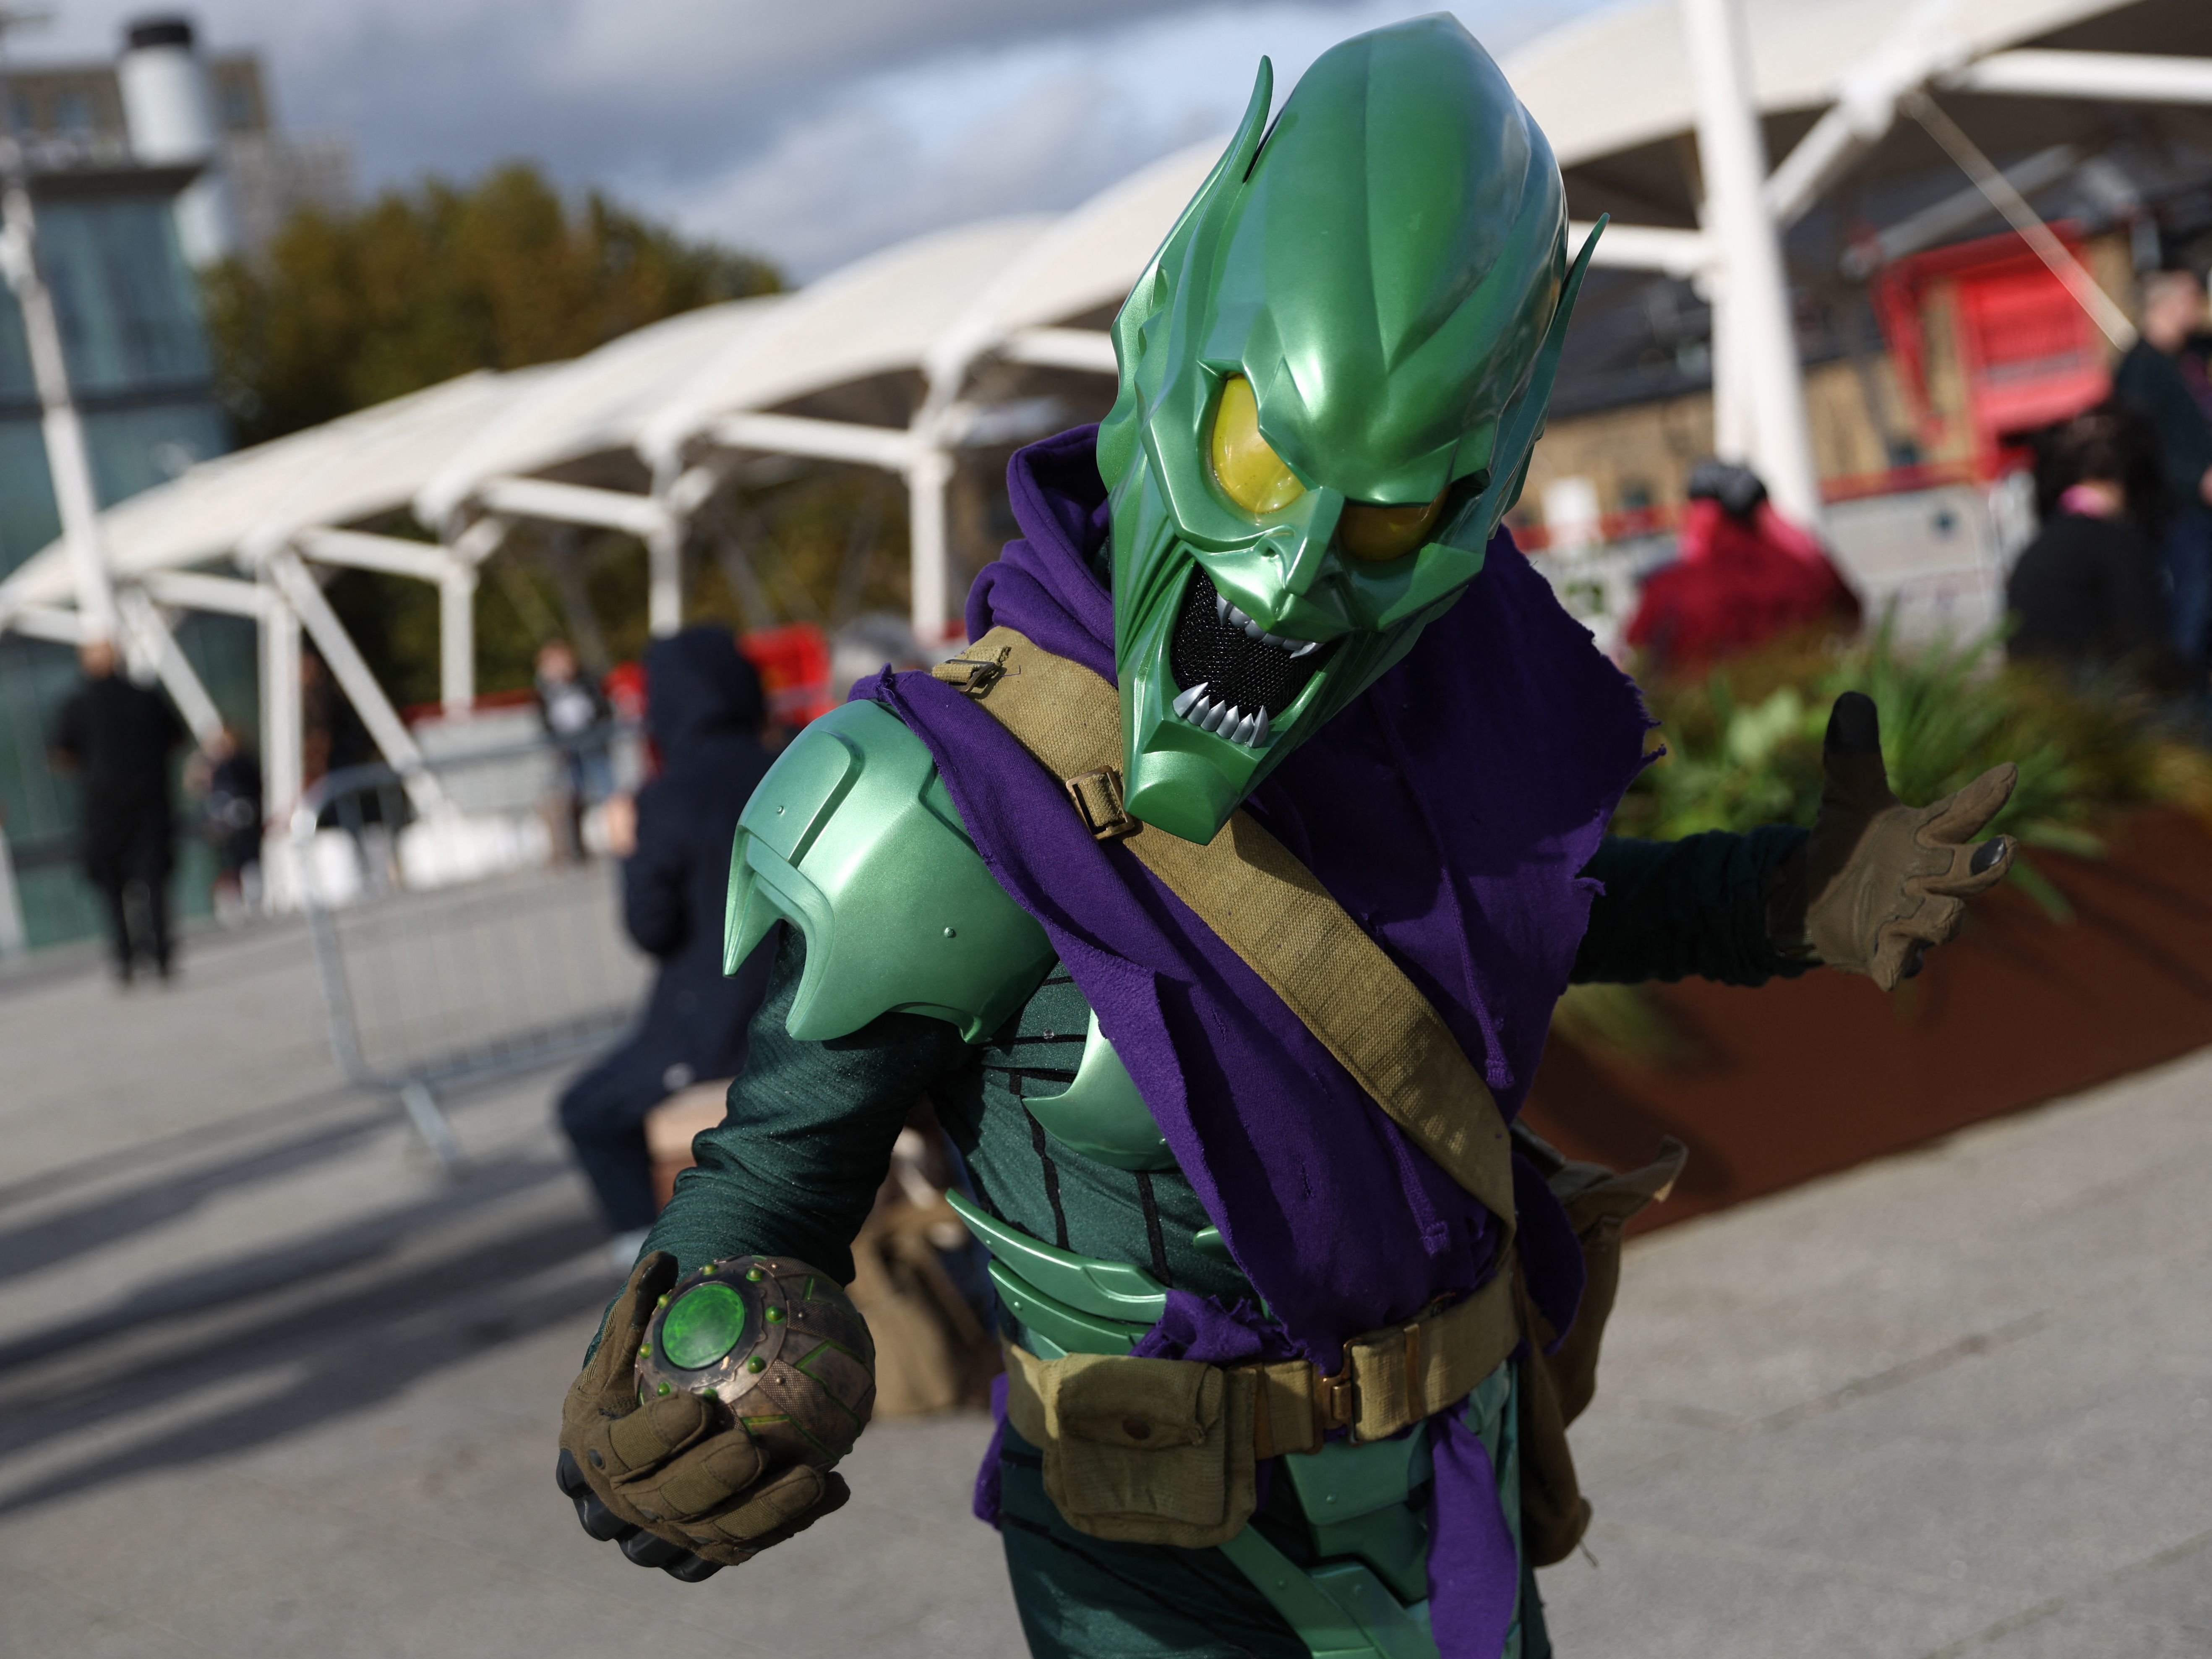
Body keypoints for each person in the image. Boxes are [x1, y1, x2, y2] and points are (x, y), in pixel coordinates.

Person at [553, 23, 2022, 1656]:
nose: (1289, 569)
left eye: (1384, 517)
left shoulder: (1450, 711)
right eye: (1259, 451)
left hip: (1443, 1508)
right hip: (1152, 1559)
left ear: (1481, 489)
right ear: (1172, 347)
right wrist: (681, 1382)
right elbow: (776, 1173)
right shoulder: (938, 795)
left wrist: (1776, 897)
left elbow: (1514, 917)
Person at [555, 626, 777, 1265]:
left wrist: (628, 852)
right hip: (812, 1011)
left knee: (588, 1113)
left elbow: (651, 929)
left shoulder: (667, 798)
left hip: (719, 1032)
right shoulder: (794, 763)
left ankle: (653, 1264)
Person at [1625, 458, 1860, 670]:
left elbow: (1634, 659)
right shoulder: (1805, 570)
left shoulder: (1670, 589)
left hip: (1707, 711)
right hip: (1803, 703)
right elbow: (1851, 616)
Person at [2007, 405, 2179, 686]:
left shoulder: (2041, 547)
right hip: (2098, 708)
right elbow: (2147, 651)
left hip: (2048, 709)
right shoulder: (2114, 543)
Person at [50, 638, 187, 983]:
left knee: (112, 885)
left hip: (103, 806)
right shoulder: (145, 697)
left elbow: (63, 755)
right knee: (154, 880)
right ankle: (162, 955)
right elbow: (176, 739)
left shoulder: (78, 705)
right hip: (150, 802)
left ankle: (125, 958)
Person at [2112, 269, 2212, 665]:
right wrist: (2196, 479)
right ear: (2168, 303)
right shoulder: (2140, 371)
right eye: (2192, 295)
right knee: (2194, 603)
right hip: (2177, 512)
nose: (2200, 302)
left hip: (2199, 507)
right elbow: (2142, 451)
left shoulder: (2191, 354)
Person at [535, 638, 613, 861]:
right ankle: (575, 848)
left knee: (608, 791)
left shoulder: (586, 680)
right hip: (568, 751)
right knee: (573, 797)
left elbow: (602, 707)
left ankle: (620, 837)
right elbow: (545, 720)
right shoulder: (545, 690)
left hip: (593, 743)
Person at [188, 725, 265, 922]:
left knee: (246, 860)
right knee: (234, 862)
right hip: (227, 825)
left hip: (243, 823)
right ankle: (238, 904)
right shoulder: (216, 768)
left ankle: (252, 902)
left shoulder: (240, 763)